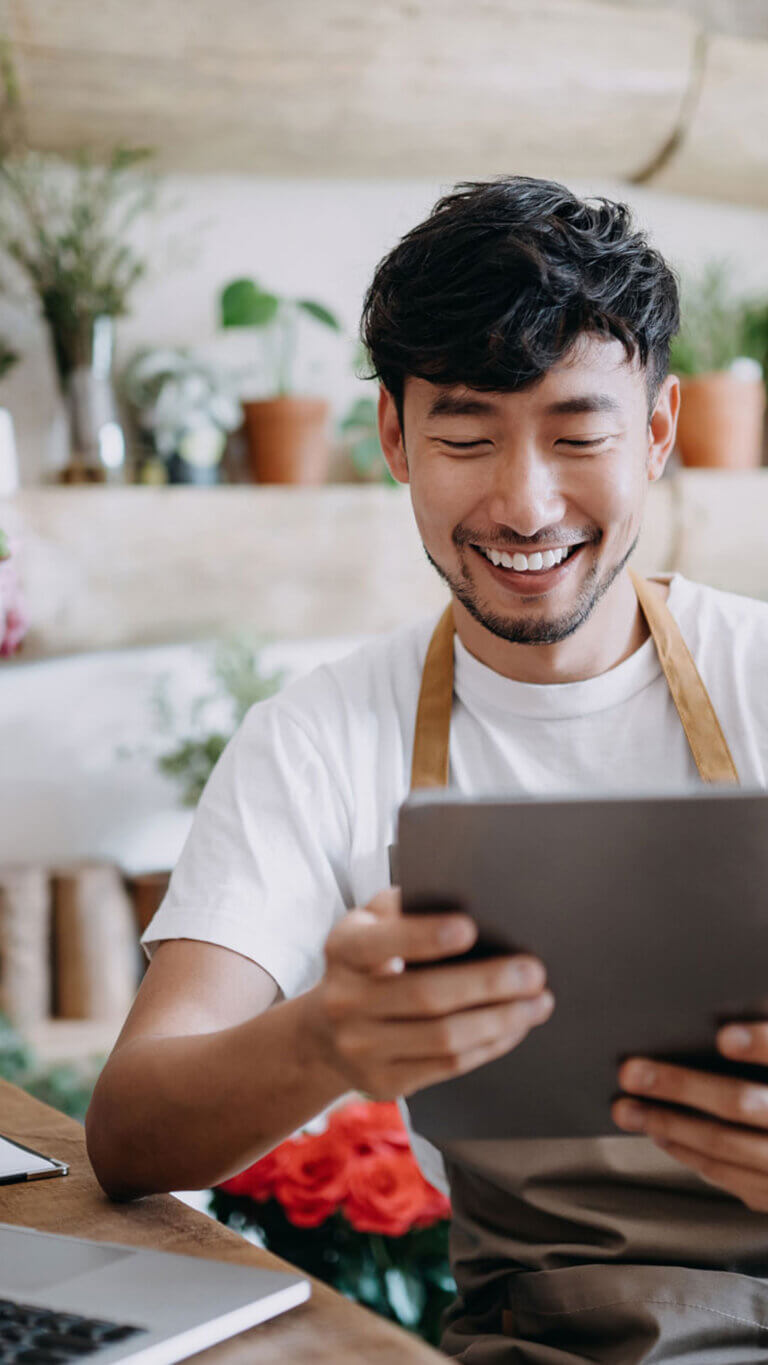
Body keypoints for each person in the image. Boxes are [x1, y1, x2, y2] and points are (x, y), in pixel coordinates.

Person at [86, 177, 768, 1364]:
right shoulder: (319, 738)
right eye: (465, 435)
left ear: (659, 431)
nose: (524, 500)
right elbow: (129, 1132)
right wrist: (326, 1044)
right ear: (395, 439)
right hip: (536, 1336)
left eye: (579, 433)